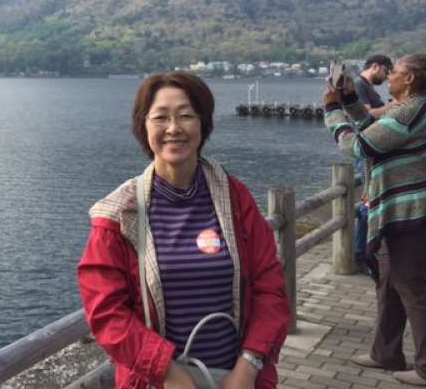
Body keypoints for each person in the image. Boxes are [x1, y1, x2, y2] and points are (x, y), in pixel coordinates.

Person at [78, 72, 290, 389]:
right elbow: (106, 311)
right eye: (160, 117)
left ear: (203, 124)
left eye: (186, 116)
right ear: (144, 127)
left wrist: (249, 365)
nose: (173, 128)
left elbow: (269, 286)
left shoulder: (235, 200)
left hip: (236, 380)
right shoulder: (120, 214)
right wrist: (168, 372)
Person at [323, 54, 426, 388]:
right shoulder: (419, 107)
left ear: (409, 79)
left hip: (409, 213)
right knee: (389, 283)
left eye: (395, 72)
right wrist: (351, 99)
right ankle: (386, 353)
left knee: (412, 287)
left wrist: (331, 108)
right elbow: (373, 127)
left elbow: (360, 146)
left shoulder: (413, 110)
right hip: (409, 210)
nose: (390, 77)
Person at [352, 55, 394, 273]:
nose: (387, 77)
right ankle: (360, 253)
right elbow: (364, 115)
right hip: (366, 150)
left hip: (372, 149)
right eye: (386, 71)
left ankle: (364, 251)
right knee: (368, 204)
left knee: (369, 202)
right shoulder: (360, 85)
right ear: (375, 66)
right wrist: (393, 107)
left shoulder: (367, 86)